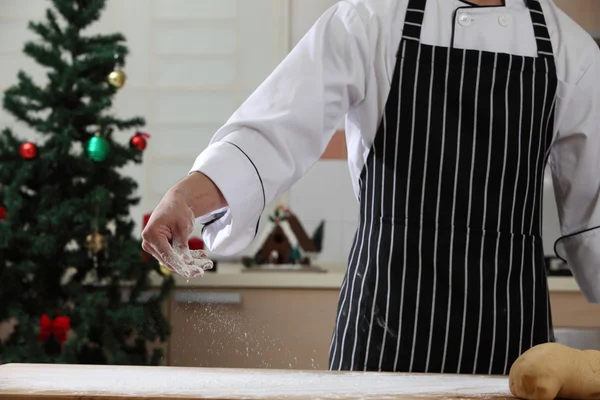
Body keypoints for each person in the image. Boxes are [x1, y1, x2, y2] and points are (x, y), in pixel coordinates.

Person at [142, 0, 600, 375]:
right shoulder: (371, 20)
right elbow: (273, 130)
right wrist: (185, 197)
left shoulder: (572, 53)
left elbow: (594, 213)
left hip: (509, 341)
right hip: (385, 329)